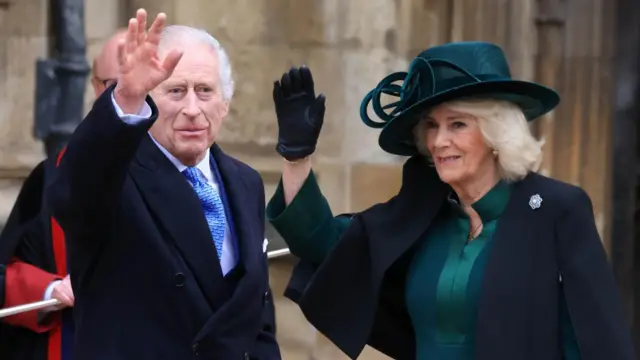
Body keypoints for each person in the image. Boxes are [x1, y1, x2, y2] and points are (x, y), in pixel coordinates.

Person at [267, 41, 636, 360]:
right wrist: (297, 157)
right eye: (431, 125)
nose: (439, 140)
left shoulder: (557, 209)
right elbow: (323, 242)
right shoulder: (424, 212)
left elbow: (595, 340)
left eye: (457, 124)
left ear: (496, 132)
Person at [46, 9, 280, 360]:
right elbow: (73, 192)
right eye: (175, 91)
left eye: (204, 91)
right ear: (149, 98)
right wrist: (126, 97)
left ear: (225, 104)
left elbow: (254, 314)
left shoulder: (245, 182)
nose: (191, 108)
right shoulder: (116, 173)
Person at [0, 30, 128, 360]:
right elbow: (6, 273)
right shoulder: (52, 176)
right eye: (115, 87)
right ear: (96, 87)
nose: (133, 97)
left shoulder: (204, 182)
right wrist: (47, 288)